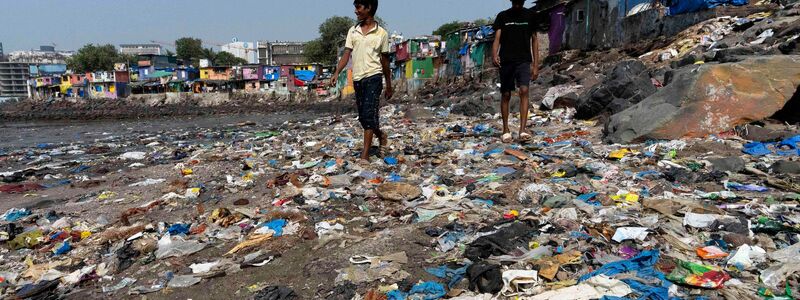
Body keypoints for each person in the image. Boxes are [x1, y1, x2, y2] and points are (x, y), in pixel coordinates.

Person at [331, 0, 394, 162]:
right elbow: (346, 54)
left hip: (374, 77)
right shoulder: (353, 31)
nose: (355, 11)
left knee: (368, 114)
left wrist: (388, 85)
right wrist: (337, 72)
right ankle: (381, 135)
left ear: (369, 8)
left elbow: (385, 61)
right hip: (358, 79)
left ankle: (365, 156)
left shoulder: (382, 34)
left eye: (358, 7)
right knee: (364, 117)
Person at [492, 0, 541, 143]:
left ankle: (522, 130)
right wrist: (494, 55)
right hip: (506, 60)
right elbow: (497, 38)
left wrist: (536, 65)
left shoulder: (530, 15)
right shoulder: (503, 16)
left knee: (524, 90)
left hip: (523, 60)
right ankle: (506, 130)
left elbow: (535, 40)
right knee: (506, 94)